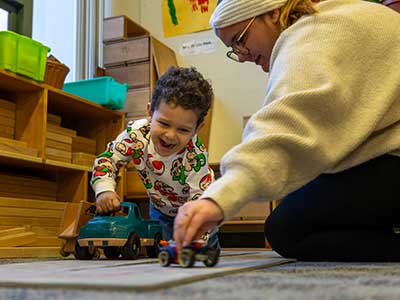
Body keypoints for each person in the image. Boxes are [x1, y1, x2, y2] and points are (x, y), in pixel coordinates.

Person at [173, 0, 400, 261]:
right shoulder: (339, 15)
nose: (242, 54)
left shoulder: (310, 37)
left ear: (272, 13)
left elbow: (283, 129)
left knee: (285, 229)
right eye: (233, 49)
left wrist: (217, 199)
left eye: (241, 39)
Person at [91, 66, 220, 251]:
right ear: (150, 112)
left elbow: (200, 198)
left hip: (196, 211)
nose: (170, 135)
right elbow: (107, 160)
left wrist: (195, 236)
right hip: (160, 209)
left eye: (183, 130)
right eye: (164, 123)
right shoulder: (136, 135)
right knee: (165, 252)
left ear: (197, 128)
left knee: (201, 251)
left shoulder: (195, 156)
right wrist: (104, 190)